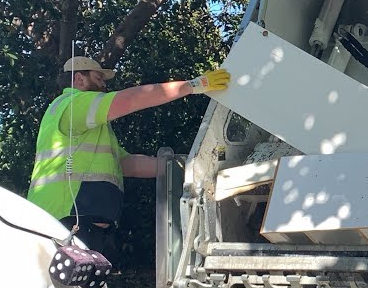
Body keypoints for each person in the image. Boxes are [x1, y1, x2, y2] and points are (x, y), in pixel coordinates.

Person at [27, 55, 230, 260]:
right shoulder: (73, 104)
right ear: (79, 79)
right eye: (98, 78)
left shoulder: (87, 127)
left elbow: (128, 164)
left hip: (73, 221)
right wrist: (193, 85)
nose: (104, 85)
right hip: (68, 221)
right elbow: (131, 99)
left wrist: (187, 166)